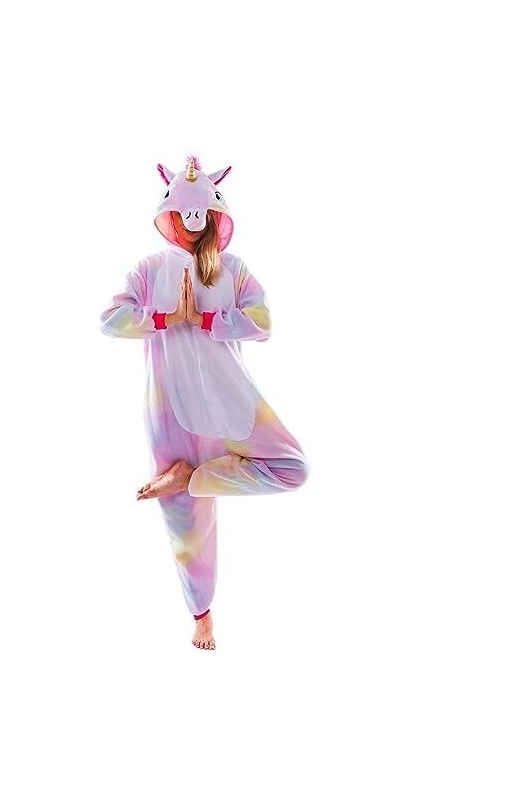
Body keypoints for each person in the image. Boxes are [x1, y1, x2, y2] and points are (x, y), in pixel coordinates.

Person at [99, 155, 309, 650]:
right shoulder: (151, 269)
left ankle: (191, 478)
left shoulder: (232, 270)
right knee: (186, 527)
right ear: (170, 215)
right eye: (183, 212)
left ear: (214, 215)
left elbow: (263, 323)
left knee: (292, 468)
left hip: (232, 405)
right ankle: (202, 616)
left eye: (201, 212)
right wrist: (166, 318)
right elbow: (110, 320)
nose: (192, 221)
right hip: (170, 409)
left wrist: (210, 320)